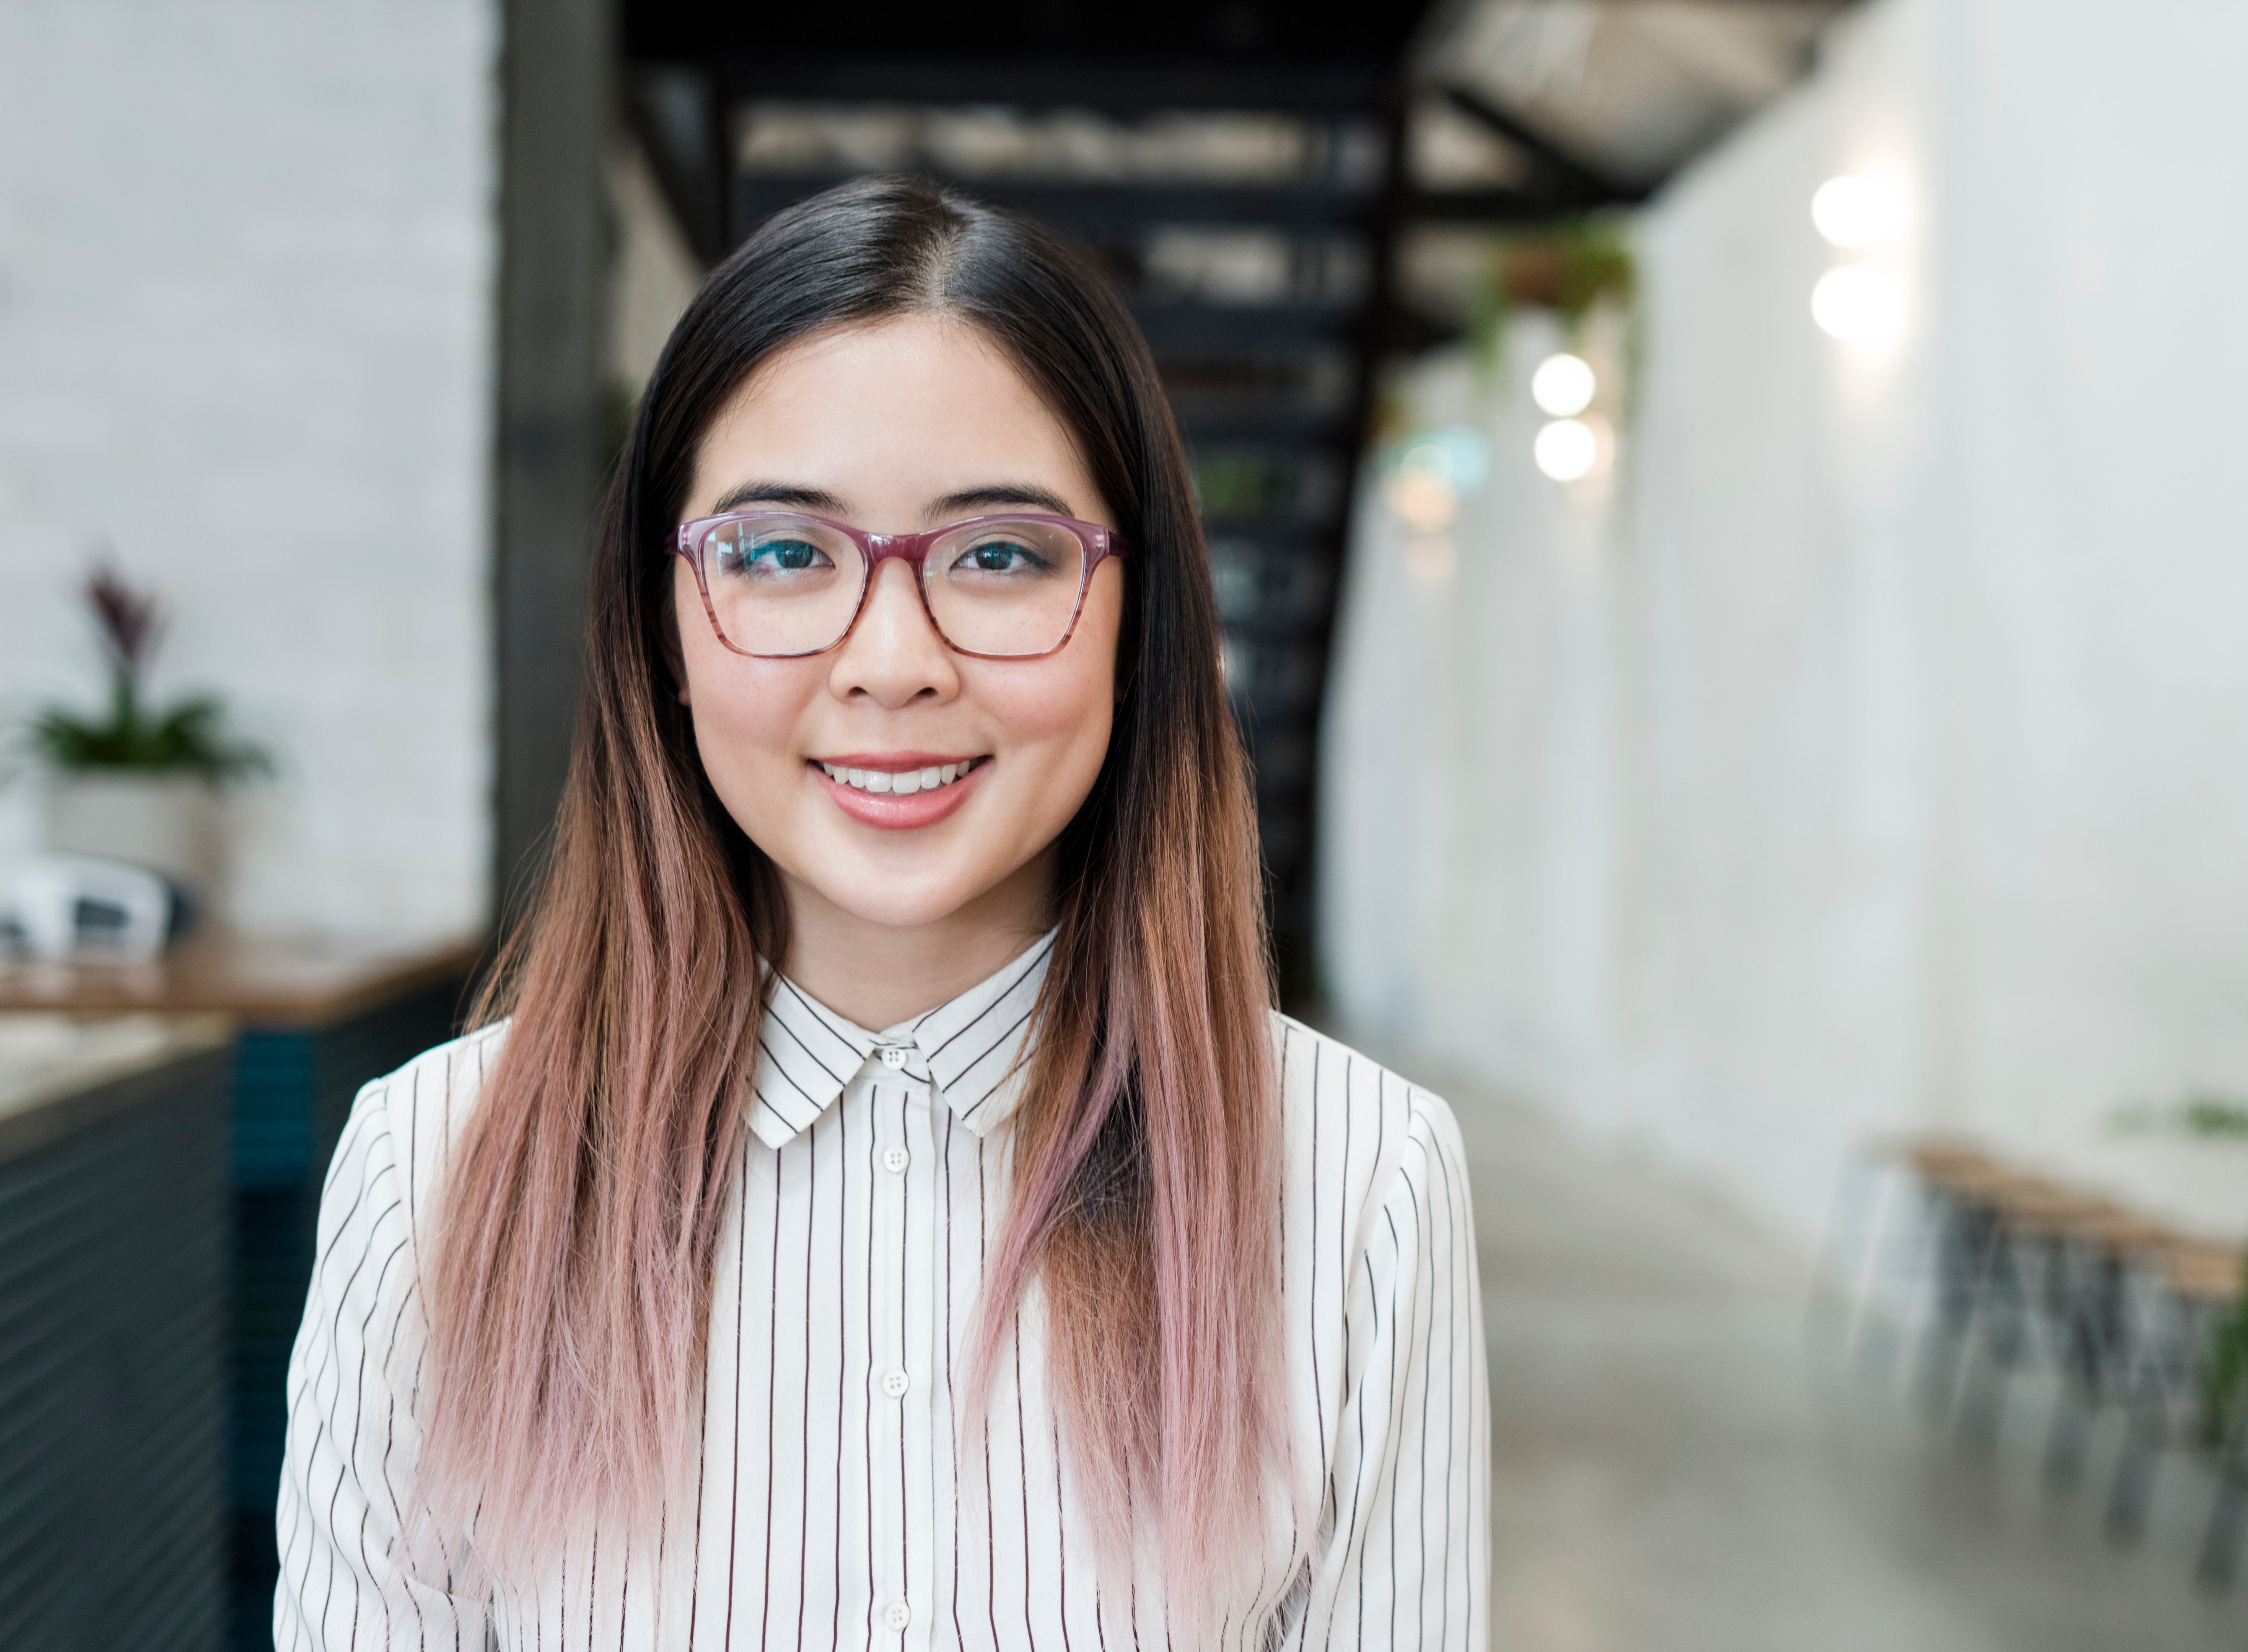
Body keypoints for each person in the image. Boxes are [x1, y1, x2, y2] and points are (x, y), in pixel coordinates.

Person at [275, 175, 1487, 1650]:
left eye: (1000, 555)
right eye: (785, 554)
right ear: (663, 631)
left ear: (1138, 624)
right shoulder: (431, 1171)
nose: (893, 662)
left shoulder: (1364, 1182)